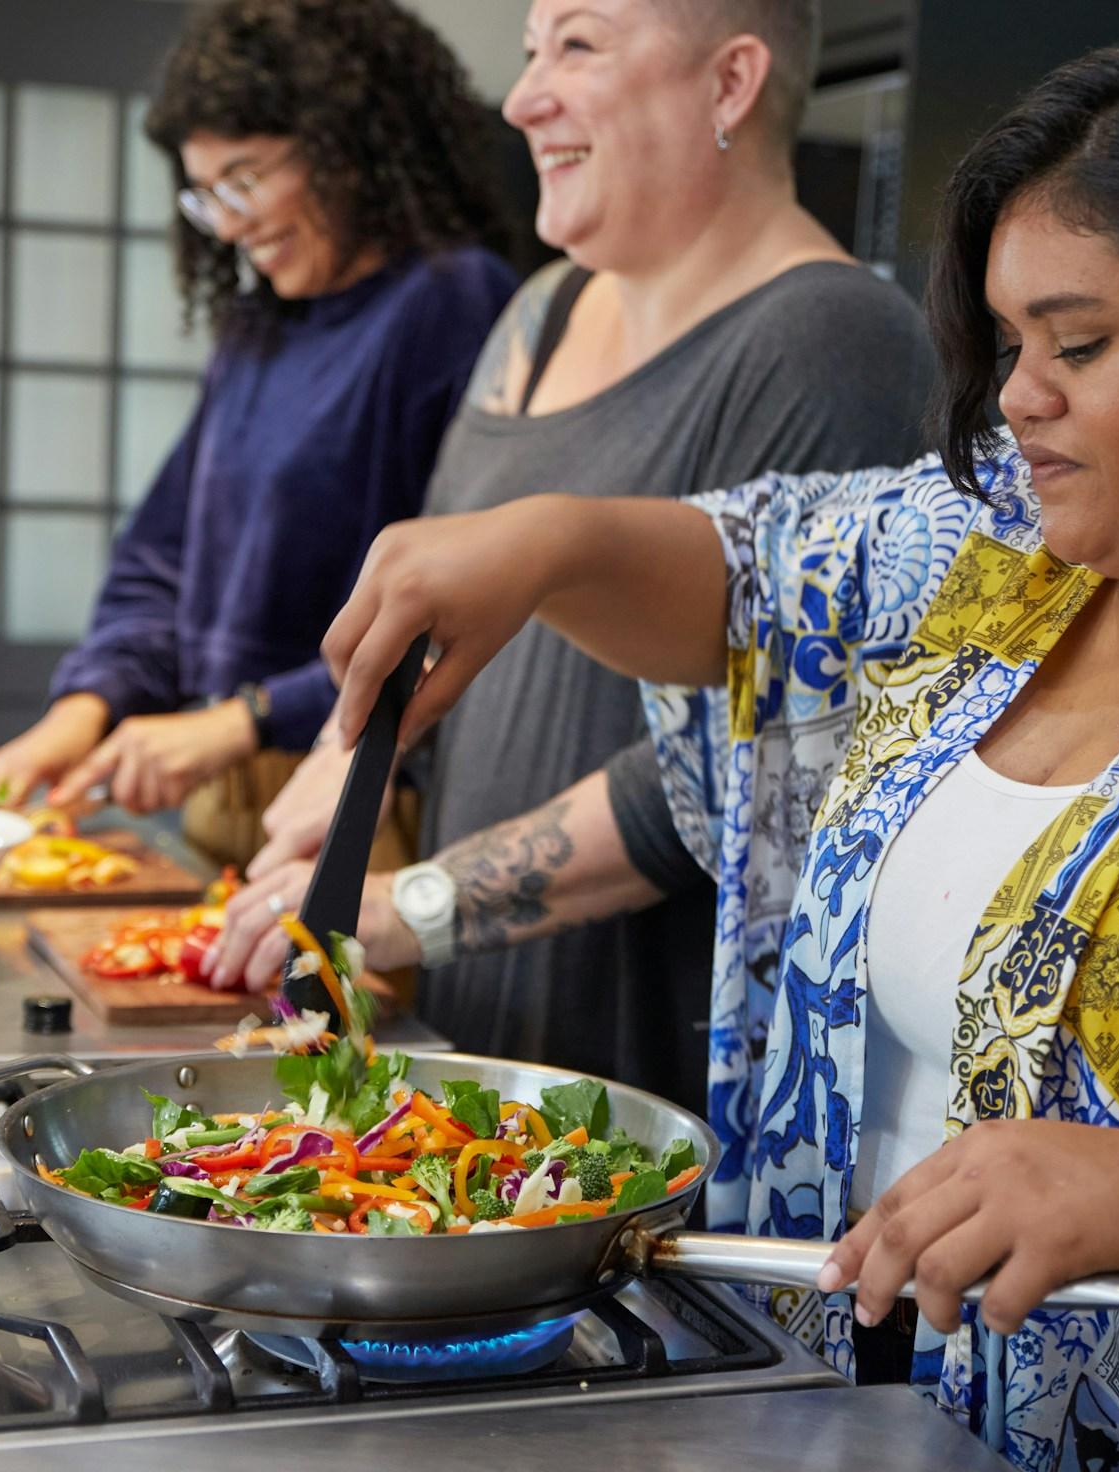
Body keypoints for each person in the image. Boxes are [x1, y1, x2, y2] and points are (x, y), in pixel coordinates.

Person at [315, 16, 1119, 1468]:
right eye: (1010, 345)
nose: (1019, 395)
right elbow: (759, 580)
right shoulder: (1003, 537)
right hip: (845, 1407)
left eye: (1081, 342)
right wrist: (546, 540)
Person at [207, 0, 936, 1117]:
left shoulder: (833, 341)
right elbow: (434, 612)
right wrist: (347, 770)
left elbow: (758, 744)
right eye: (529, 51)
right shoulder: (537, 313)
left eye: (578, 46)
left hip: (649, 1072)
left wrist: (422, 900)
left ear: (729, 83)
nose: (522, 98)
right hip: (485, 1024)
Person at [0, 0, 517, 868]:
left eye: (246, 180)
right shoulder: (258, 330)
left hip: (360, 794)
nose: (226, 223)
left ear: (345, 145)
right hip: (225, 798)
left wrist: (245, 718)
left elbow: (459, 600)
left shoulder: (448, 302)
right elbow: (162, 555)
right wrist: (84, 711)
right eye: (205, 194)